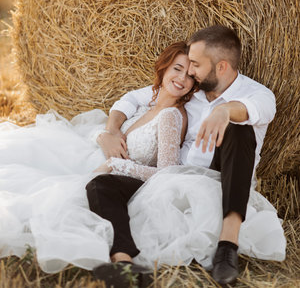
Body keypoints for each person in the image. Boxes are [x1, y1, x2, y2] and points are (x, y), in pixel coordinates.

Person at [88, 25, 285, 286]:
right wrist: (111, 131)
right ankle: (124, 263)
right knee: (101, 185)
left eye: (195, 64)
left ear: (221, 67)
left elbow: (252, 109)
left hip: (221, 184)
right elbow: (131, 100)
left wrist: (224, 111)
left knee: (239, 132)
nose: (189, 71)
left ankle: (227, 247)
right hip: (173, 177)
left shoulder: (258, 94)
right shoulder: (192, 90)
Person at [0, 41, 198, 277]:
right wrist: (106, 135)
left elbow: (167, 173)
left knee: (83, 191)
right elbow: (121, 111)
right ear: (164, 68)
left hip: (129, 180)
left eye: (190, 75)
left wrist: (117, 164)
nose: (182, 78)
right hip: (101, 164)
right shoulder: (149, 103)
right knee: (33, 154)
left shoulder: (171, 116)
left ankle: (124, 263)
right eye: (177, 68)